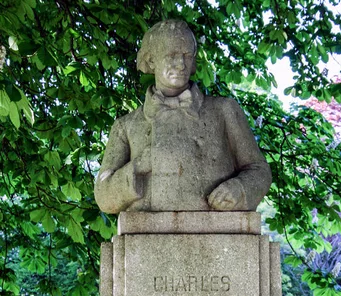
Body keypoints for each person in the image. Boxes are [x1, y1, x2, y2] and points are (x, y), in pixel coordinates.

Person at [94, 20, 271, 214]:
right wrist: (139, 166)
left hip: (218, 231)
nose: (181, 64)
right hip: (147, 234)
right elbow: (104, 196)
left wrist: (240, 189)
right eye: (171, 55)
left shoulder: (224, 111)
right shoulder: (126, 126)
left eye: (187, 55)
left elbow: (259, 170)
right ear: (151, 60)